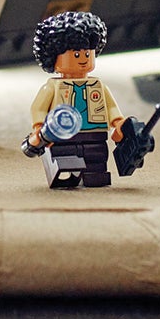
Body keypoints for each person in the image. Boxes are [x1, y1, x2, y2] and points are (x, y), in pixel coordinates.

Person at [25, 12, 124, 189]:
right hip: (63, 136)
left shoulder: (98, 85)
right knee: (66, 162)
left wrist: (118, 123)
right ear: (53, 57)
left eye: (87, 53)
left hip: (95, 134)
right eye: (76, 55)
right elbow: (38, 108)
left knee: (97, 161)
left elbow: (110, 108)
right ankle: (67, 176)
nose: (84, 59)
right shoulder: (52, 87)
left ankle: (95, 177)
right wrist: (39, 128)